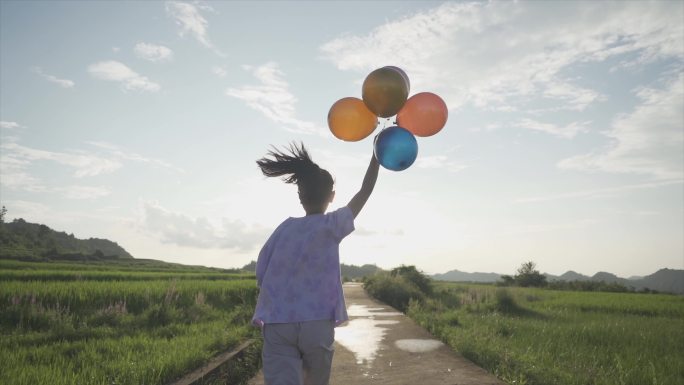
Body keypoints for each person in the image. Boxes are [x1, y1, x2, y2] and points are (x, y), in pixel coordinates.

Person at [252, 141, 379, 385]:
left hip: (278, 321)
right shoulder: (332, 225)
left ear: (300, 196)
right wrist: (376, 156)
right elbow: (365, 190)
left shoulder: (284, 228)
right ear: (331, 197)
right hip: (317, 323)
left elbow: (261, 271)